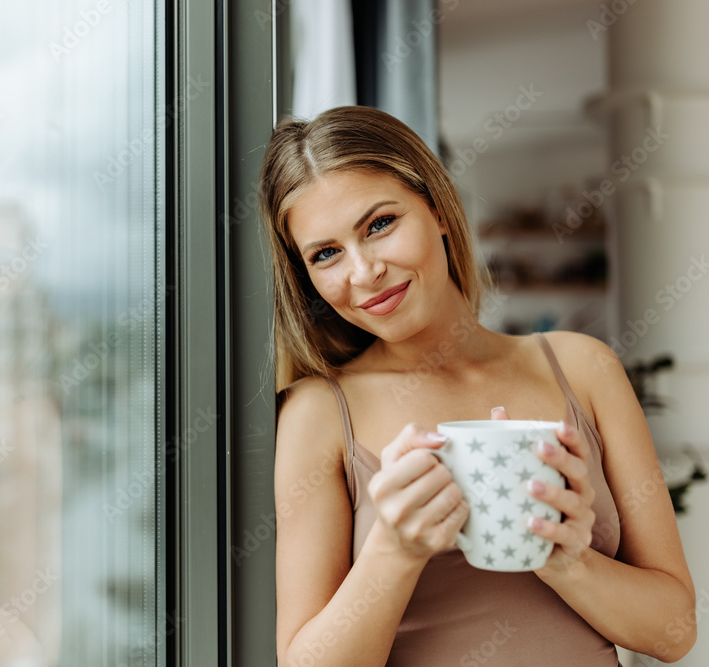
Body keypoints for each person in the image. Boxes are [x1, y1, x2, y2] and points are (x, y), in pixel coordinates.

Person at [260, 106, 696, 666]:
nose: (364, 272)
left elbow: (675, 632)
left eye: (380, 224)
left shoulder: (584, 368)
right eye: (326, 254)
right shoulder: (317, 413)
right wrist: (394, 553)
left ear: (438, 209)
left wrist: (564, 559)